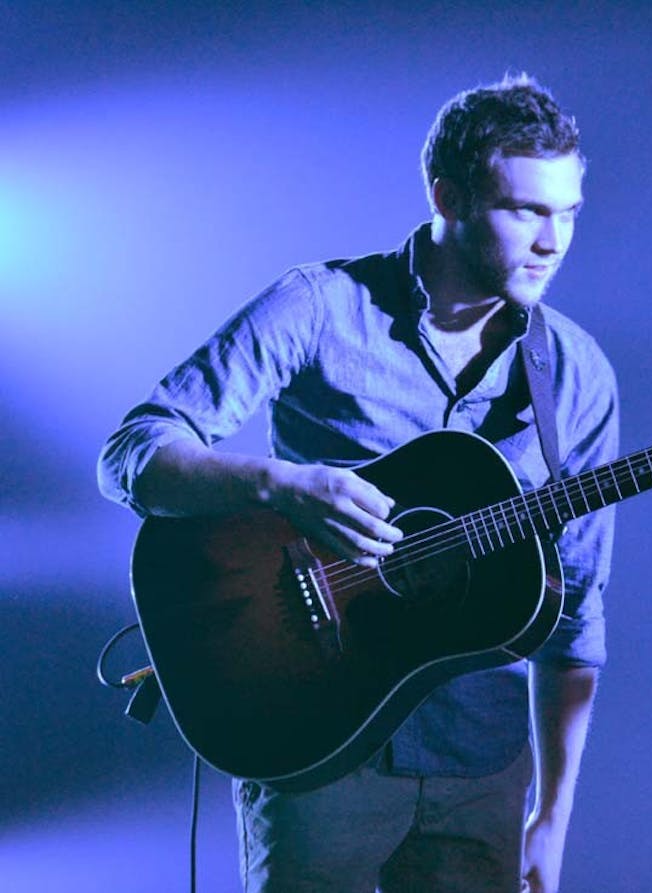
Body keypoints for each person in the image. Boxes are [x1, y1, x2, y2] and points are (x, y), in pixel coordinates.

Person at [98, 73, 618, 893]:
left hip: (479, 764)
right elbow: (132, 452)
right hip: (314, 740)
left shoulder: (576, 374)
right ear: (446, 197)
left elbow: (575, 611)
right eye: (525, 211)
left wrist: (551, 816)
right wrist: (282, 486)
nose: (553, 241)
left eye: (568, 213)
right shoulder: (322, 308)